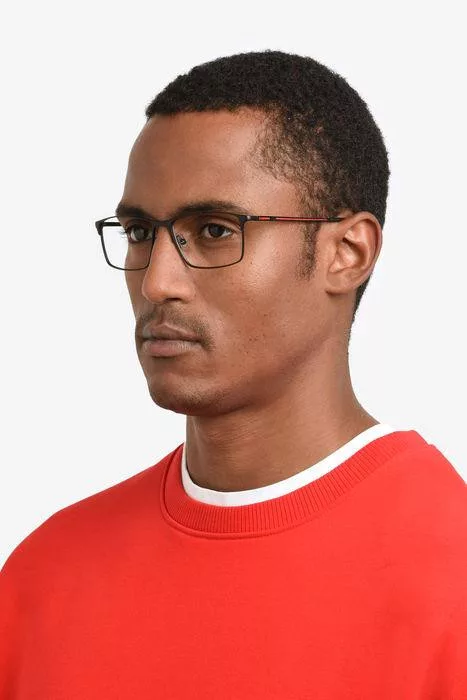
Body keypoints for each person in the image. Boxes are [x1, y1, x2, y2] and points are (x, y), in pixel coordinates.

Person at [1, 49, 466, 699]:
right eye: (140, 233)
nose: (157, 282)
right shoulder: (44, 576)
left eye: (215, 230)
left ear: (346, 252)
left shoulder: (449, 573)